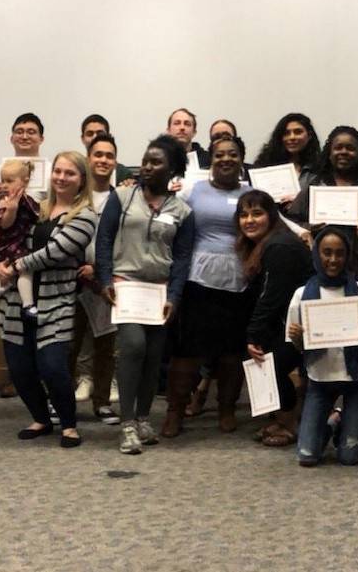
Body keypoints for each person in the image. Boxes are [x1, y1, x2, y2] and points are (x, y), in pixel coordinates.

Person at [96, 135, 194, 453]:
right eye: (146, 161)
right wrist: (105, 279)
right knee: (133, 347)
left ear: (173, 169)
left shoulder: (182, 211)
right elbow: (104, 240)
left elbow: (182, 259)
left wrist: (175, 297)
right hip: (126, 286)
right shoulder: (122, 197)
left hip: (160, 291)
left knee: (153, 358)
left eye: (156, 162)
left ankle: (142, 419)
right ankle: (126, 424)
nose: (147, 167)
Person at [0, 151, 96, 449]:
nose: (61, 177)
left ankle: (69, 424)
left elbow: (56, 251)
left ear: (81, 180)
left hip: (55, 302)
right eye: (58, 171)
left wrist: (15, 266)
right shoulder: (37, 208)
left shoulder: (85, 215)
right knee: (19, 367)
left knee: (52, 367)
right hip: (16, 300)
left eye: (70, 173)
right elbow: (8, 237)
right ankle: (40, 418)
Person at [166, 137, 253, 436]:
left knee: (231, 353)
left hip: (239, 282)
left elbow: (274, 223)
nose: (226, 159)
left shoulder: (251, 194)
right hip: (198, 279)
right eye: (219, 155)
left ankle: (226, 409)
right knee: (187, 351)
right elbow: (171, 219)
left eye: (232, 154)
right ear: (211, 159)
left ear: (242, 159)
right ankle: (175, 411)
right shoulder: (194, 190)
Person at [287, 228, 358, 466]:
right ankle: (332, 422)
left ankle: (341, 419)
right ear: (317, 254)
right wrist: (297, 337)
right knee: (307, 456)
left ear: (347, 256)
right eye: (327, 253)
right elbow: (299, 348)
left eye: (339, 253)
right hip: (320, 379)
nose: (333, 260)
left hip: (356, 380)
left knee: (349, 457)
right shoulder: (301, 295)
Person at [288, 125, 358, 308]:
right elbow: (290, 223)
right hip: (319, 275)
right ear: (329, 153)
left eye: (350, 148)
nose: (344, 152)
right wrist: (309, 228)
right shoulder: (314, 187)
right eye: (338, 147)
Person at [239, 190, 313, 446]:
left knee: (269, 363)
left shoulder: (279, 246)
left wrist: (253, 334)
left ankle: (289, 423)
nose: (249, 220)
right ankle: (281, 419)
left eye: (257, 213)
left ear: (271, 216)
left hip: (303, 327)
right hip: (286, 321)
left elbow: (272, 296)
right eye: (244, 215)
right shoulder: (267, 243)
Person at [0, 113, 48, 399]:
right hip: (9, 254)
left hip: (43, 258)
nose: (25, 136)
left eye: (32, 132)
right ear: (11, 137)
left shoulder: (52, 173)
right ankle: (18, 378)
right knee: (12, 323)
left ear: (41, 138)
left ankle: (43, 379)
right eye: (19, 131)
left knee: (44, 327)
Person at [68, 134, 120, 425]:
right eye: (98, 154)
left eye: (109, 155)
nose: (103, 160)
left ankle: (101, 403)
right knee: (68, 345)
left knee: (105, 346)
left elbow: (122, 241)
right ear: (88, 159)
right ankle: (61, 403)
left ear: (115, 162)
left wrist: (99, 269)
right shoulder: (75, 196)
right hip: (73, 280)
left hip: (105, 283)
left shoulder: (122, 198)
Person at [0, 159, 41, 320]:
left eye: (10, 181)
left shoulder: (28, 200)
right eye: (3, 180)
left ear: (25, 181)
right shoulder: (5, 202)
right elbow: (4, 225)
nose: (5, 185)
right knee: (25, 268)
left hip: (22, 241)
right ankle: (28, 304)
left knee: (26, 269)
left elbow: (37, 217)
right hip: (9, 245)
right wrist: (12, 209)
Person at [253, 113, 322, 201]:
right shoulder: (265, 164)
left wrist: (298, 204)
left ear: (309, 135)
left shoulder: (321, 167)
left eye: (298, 132)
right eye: (286, 133)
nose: (292, 137)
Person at [80, 114, 134, 185]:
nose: (95, 137)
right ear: (83, 139)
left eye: (100, 133)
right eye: (90, 134)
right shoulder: (77, 169)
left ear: (108, 136)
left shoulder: (123, 174)